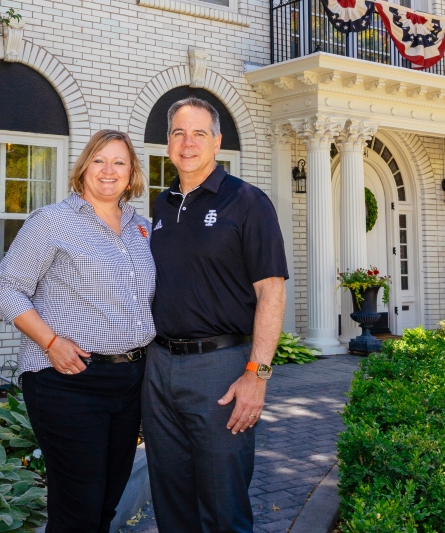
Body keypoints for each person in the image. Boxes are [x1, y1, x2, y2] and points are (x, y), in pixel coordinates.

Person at [0, 130, 155, 533]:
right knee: (78, 508)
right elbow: (6, 287)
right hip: (68, 379)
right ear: (83, 168)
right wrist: (50, 342)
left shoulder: (142, 228)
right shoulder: (52, 221)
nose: (108, 170)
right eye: (99, 160)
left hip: (130, 380)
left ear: (132, 172)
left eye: (119, 162)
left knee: (107, 503)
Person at [143, 97, 288, 533]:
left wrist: (257, 375)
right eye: (178, 133)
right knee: (171, 504)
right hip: (159, 367)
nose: (188, 143)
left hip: (220, 370)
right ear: (168, 142)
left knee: (224, 508)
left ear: (217, 142)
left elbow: (272, 292)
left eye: (199, 133)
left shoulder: (247, 201)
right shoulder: (161, 205)